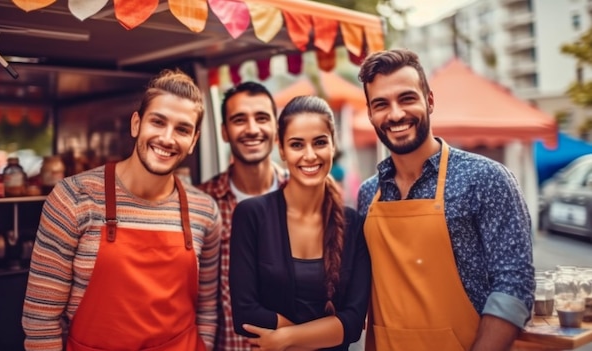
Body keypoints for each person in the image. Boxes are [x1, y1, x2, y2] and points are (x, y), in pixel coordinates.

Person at [22, 69, 221, 351]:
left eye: (182, 129)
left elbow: (207, 309)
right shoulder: (73, 197)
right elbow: (40, 321)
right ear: (136, 123)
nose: (167, 138)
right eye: (158, 122)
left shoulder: (205, 211)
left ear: (194, 141)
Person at [356, 49, 535, 351]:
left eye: (407, 98)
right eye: (381, 104)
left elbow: (514, 284)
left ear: (429, 100)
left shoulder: (485, 178)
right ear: (371, 114)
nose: (396, 114)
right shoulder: (367, 194)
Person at [229, 95, 371, 350]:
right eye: (296, 145)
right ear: (281, 149)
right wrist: (325, 333)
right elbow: (245, 313)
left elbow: (353, 321)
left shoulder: (355, 224)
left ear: (332, 146)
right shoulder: (251, 215)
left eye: (319, 143)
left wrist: (285, 339)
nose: (309, 155)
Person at [197, 81, 288, 351]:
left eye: (261, 118)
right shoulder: (202, 202)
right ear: (224, 132)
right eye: (239, 120)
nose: (252, 129)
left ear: (276, 129)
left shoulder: (305, 195)